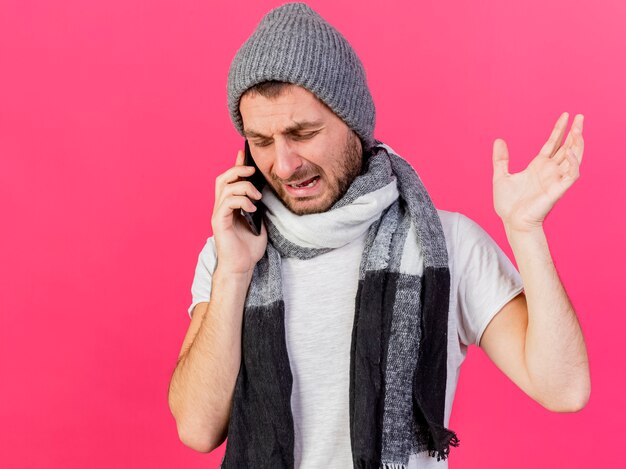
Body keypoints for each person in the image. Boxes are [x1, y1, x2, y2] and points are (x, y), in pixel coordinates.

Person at [167, 3, 590, 468]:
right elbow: (197, 428)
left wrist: (525, 231)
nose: (283, 165)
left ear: (354, 124)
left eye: (303, 133)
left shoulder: (445, 245)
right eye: (262, 142)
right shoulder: (233, 251)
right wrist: (234, 272)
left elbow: (564, 389)